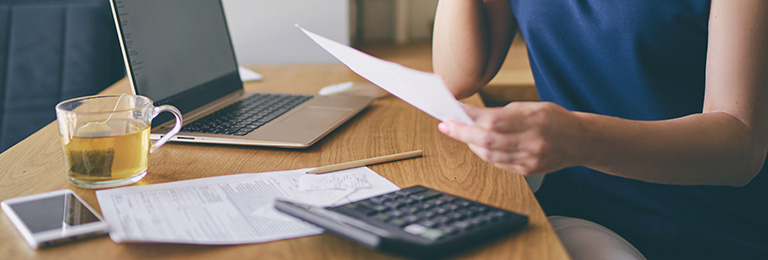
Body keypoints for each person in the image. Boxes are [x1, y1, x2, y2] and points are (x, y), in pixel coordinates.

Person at [431, 1, 768, 259]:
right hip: (582, 214)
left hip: (706, 228)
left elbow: (740, 146)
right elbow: (459, 73)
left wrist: (580, 140)